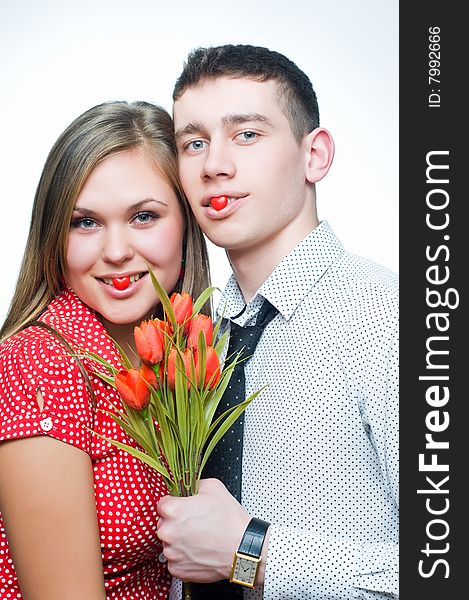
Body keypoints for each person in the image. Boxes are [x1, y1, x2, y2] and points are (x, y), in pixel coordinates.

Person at [157, 45, 399, 599]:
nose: (213, 164)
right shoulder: (196, 336)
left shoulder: (389, 321)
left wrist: (252, 552)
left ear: (315, 156)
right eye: (194, 142)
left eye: (247, 134)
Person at [0, 100, 211, 599]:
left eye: (143, 216)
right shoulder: (39, 364)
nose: (115, 251)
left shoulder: (186, 353)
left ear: (186, 222)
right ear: (55, 236)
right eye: (86, 222)